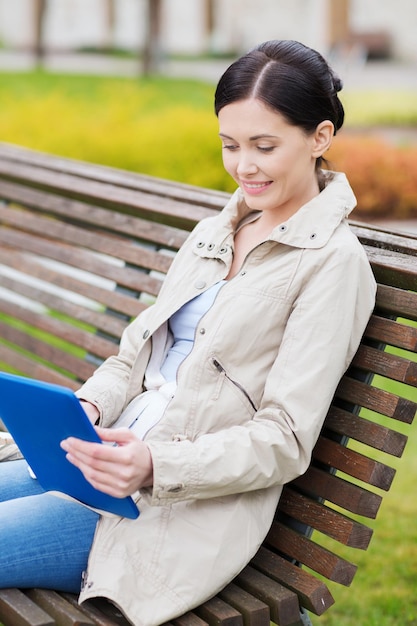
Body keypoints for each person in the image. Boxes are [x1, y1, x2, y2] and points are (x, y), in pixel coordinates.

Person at [0, 40, 376, 625]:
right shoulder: (213, 233)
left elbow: (283, 438)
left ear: (321, 137)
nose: (243, 165)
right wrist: (91, 407)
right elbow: (135, 357)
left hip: (159, 510)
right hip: (97, 460)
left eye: (264, 146)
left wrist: (153, 464)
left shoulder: (332, 264)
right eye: (230, 145)